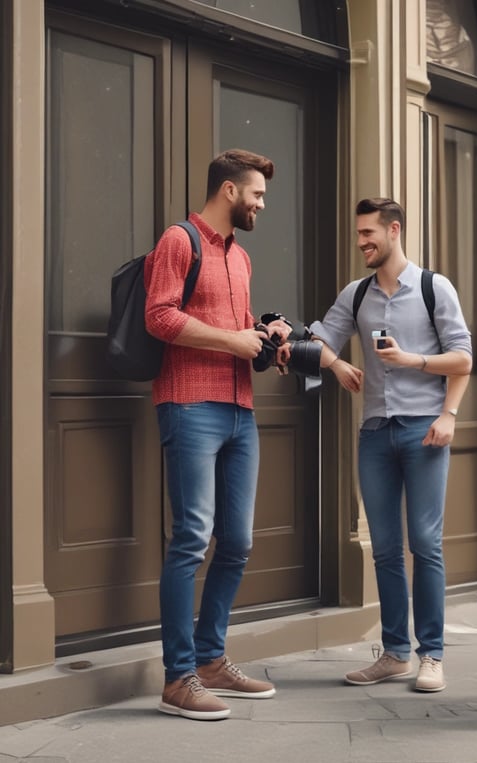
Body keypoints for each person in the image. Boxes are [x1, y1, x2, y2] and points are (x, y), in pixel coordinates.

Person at [145, 149, 291, 721]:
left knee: (237, 542)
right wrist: (232, 341)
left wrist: (264, 335)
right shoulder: (179, 241)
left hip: (239, 410)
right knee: (191, 539)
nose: (261, 204)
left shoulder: (243, 258)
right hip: (189, 406)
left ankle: (210, 661)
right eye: (256, 194)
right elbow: (159, 316)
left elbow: (236, 331)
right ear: (229, 191)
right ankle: (178, 677)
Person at [309, 198, 472, 693]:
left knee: (425, 544)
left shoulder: (432, 287)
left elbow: (463, 357)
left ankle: (432, 655)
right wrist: (336, 365)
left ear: (394, 230)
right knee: (383, 549)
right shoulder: (355, 295)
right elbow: (320, 339)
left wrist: (443, 406)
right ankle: (395, 653)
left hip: (425, 429)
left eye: (368, 234)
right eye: (358, 235)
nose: (361, 242)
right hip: (375, 432)